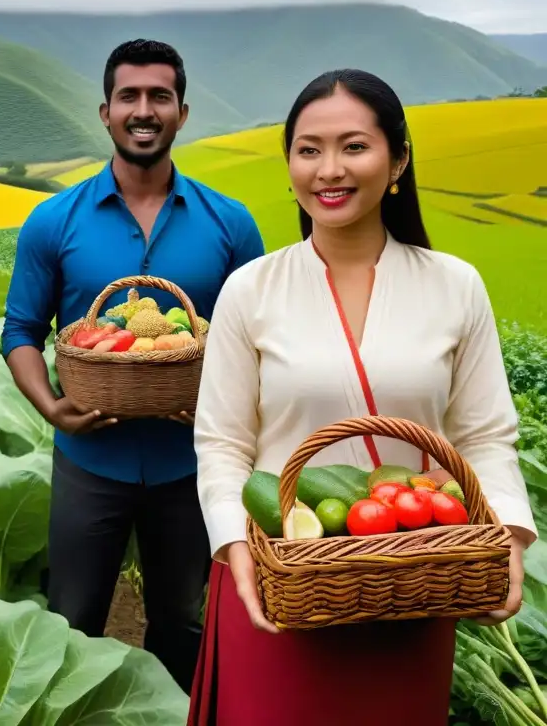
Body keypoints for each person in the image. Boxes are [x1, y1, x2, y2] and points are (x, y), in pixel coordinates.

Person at [187, 68, 537, 725]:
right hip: (277, 583)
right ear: (289, 163)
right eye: (309, 149)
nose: (329, 169)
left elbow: (486, 435)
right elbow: (223, 444)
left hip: (410, 581)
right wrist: (236, 551)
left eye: (354, 146)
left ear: (398, 159)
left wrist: (509, 540)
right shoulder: (250, 290)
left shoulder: (455, 286)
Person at [0, 39, 265, 694]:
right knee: (74, 617)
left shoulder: (230, 224)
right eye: (130, 96)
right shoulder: (52, 221)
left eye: (159, 97)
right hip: (90, 460)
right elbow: (21, 331)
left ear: (182, 111)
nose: (143, 110)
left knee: (184, 620)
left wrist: (222, 409)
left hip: (193, 463)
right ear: (105, 111)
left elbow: (259, 341)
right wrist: (51, 407)